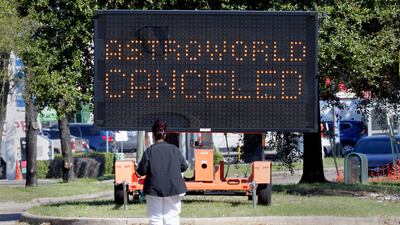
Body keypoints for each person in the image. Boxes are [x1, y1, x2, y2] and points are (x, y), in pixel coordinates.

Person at [137, 120, 188, 225]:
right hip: (173, 187)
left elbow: (141, 171)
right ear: (165, 135)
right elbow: (184, 166)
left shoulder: (149, 151)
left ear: (153, 135)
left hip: (153, 188)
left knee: (155, 218)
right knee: (172, 218)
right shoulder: (174, 149)